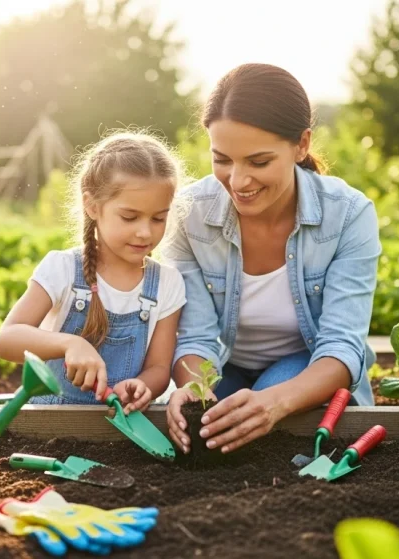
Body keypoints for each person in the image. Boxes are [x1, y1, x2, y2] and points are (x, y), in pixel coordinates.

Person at [162, 63, 381, 455]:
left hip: (307, 365)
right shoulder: (189, 214)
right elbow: (194, 336)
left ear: (301, 145)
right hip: (224, 363)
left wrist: (274, 403)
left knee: (259, 434)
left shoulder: (348, 214)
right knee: (205, 433)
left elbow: (342, 346)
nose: (238, 181)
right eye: (222, 160)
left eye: (258, 162)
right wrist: (193, 390)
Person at [0, 132, 187, 415]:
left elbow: (159, 367)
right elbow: (7, 340)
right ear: (93, 206)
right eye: (130, 217)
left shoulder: (167, 284)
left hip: (121, 430)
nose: (145, 231)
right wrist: (69, 343)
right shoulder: (62, 269)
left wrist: (142, 385)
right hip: (50, 424)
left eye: (158, 218)